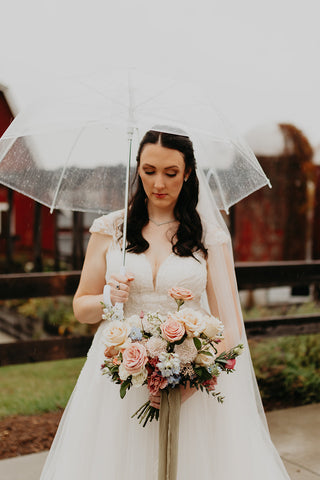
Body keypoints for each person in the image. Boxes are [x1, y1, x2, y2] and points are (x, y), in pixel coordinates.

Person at [40, 130, 290, 479]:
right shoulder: (111, 228)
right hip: (116, 376)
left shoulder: (209, 237)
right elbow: (81, 308)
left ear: (188, 173)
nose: (158, 182)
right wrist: (109, 298)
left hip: (190, 382)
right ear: (138, 169)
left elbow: (230, 328)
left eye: (171, 173)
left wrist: (190, 381)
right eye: (149, 170)